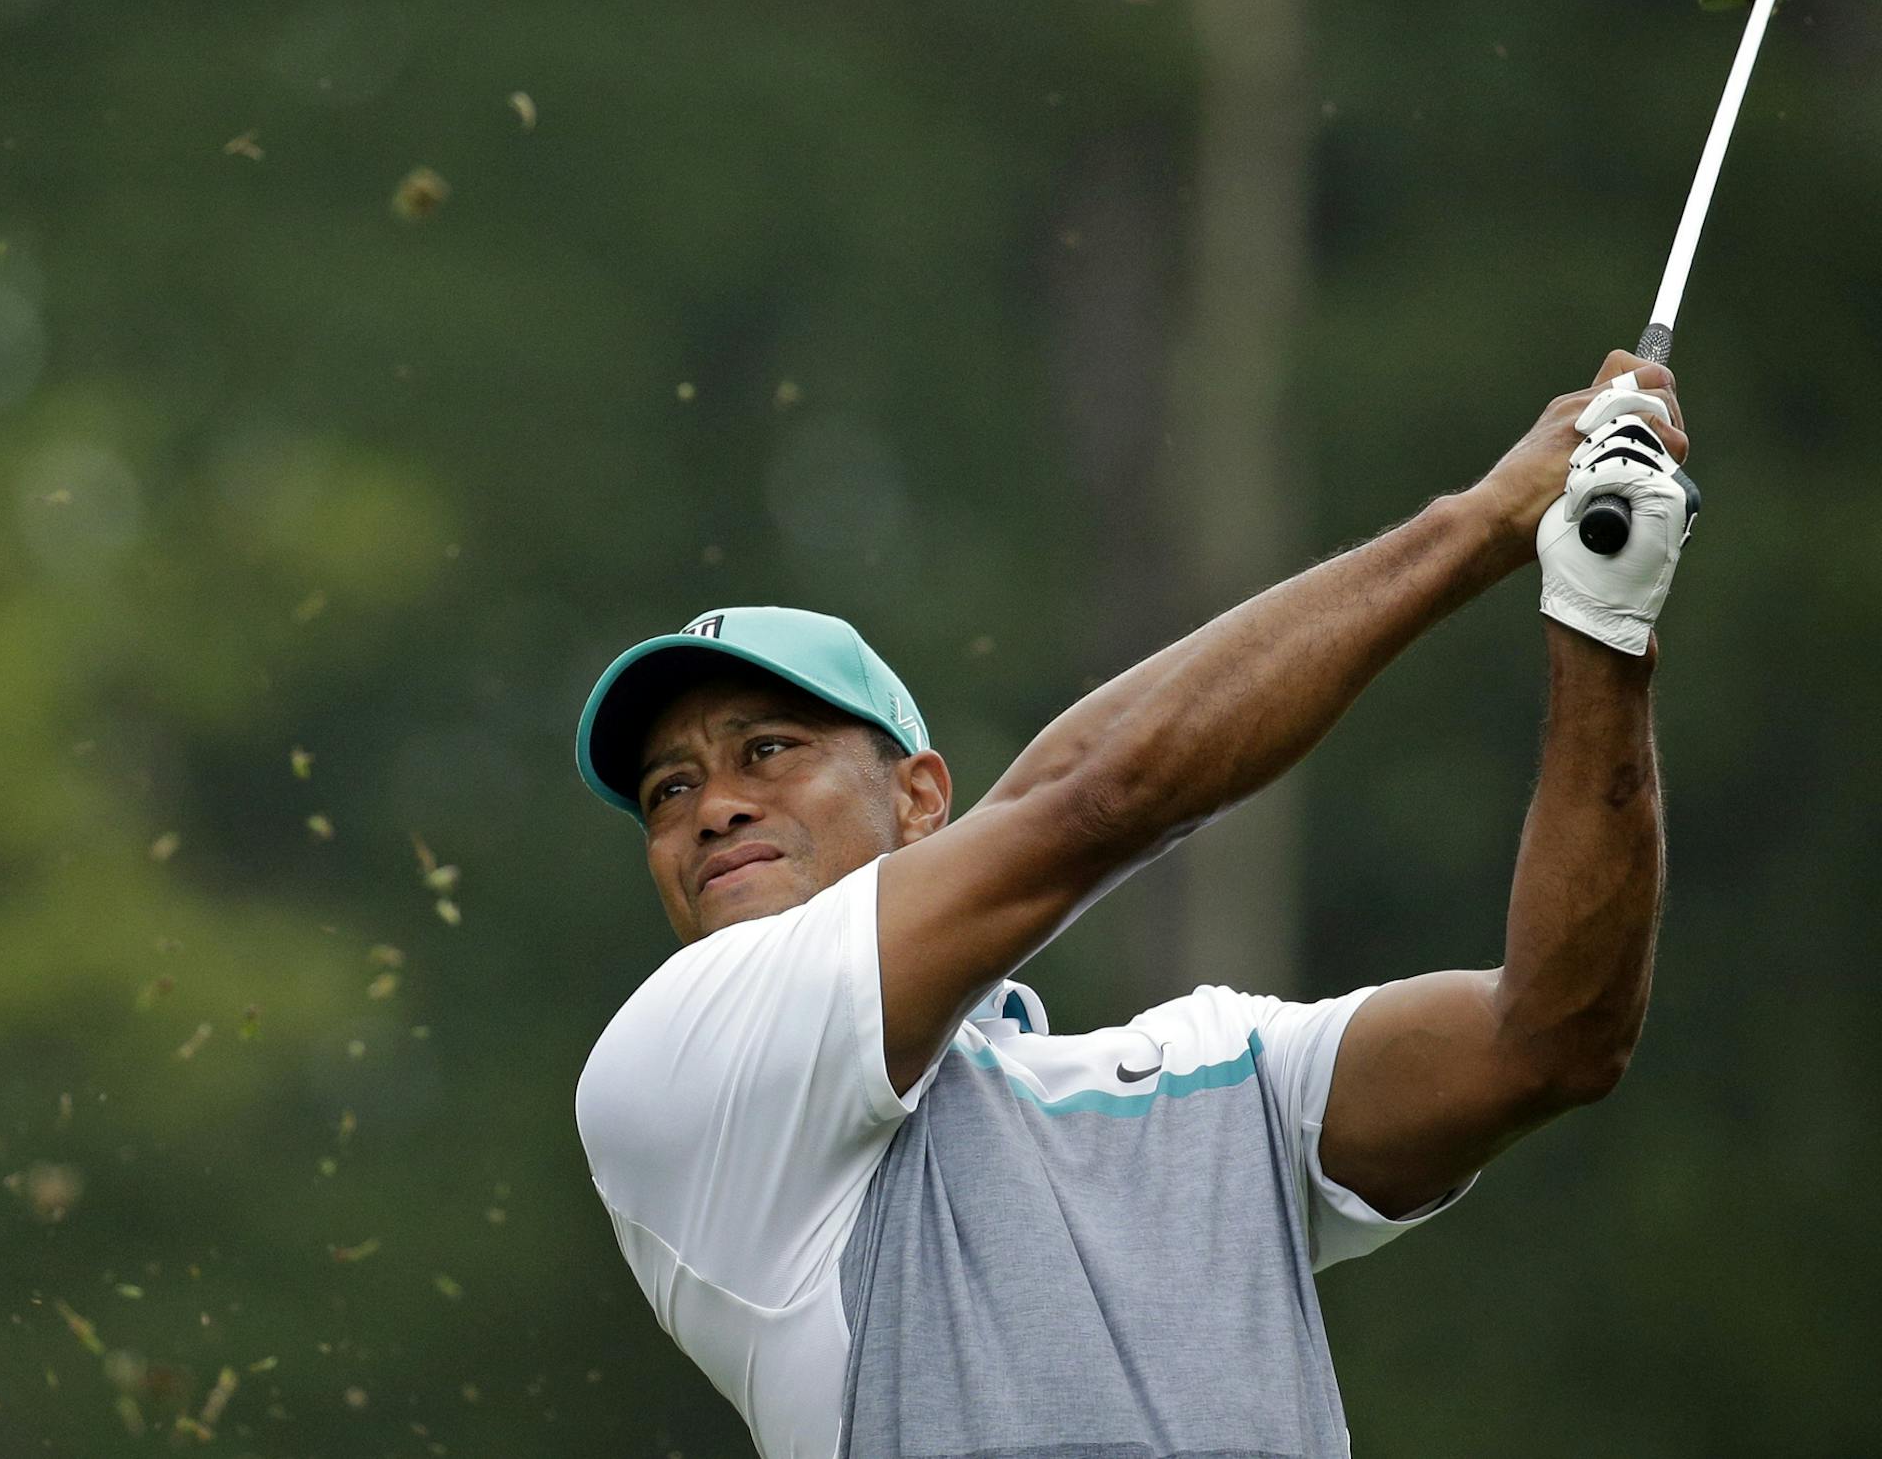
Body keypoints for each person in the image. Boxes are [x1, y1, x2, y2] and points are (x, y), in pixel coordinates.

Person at [572, 351, 1693, 1459]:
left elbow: (1554, 1037)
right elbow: (1092, 802)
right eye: (670, 790)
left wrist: (1604, 623)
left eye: (767, 750)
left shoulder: (1212, 1071)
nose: (713, 807)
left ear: (920, 799)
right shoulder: (681, 1067)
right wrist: (1488, 521)